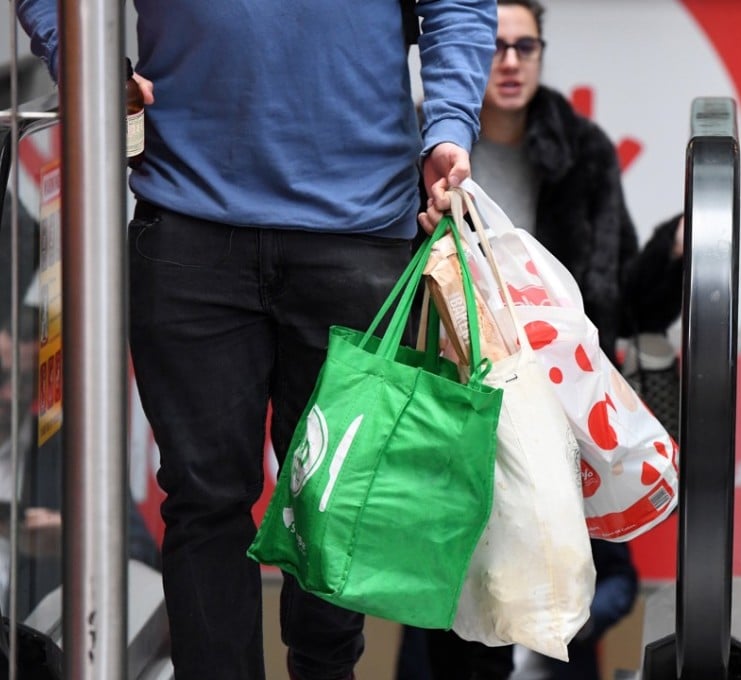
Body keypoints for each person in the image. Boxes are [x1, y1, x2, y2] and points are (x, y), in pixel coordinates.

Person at [14, 2, 497, 679]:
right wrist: (85, 63)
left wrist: (448, 124)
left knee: (334, 498)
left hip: (358, 226)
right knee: (204, 500)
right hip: (189, 217)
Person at [408, 1, 685, 678]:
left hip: (553, 400)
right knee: (452, 591)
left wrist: (682, 250)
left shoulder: (581, 148)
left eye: (523, 47)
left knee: (566, 566)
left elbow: (618, 289)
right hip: (456, 397)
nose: (508, 62)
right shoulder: (417, 145)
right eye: (494, 46)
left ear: (541, 53)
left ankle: (545, 657)